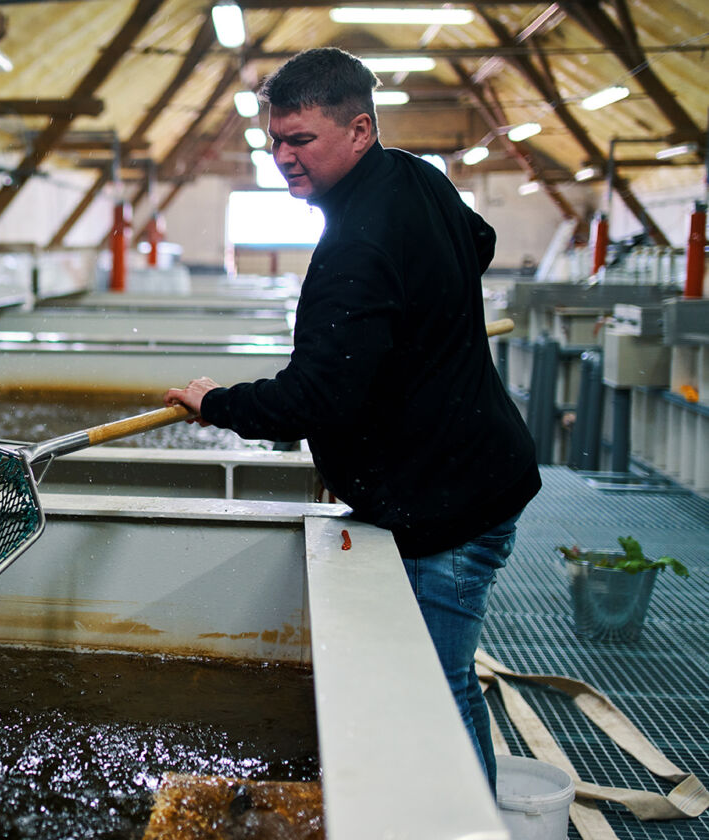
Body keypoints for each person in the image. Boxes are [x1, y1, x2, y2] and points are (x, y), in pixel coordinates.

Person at [164, 47, 540, 794]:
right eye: (275, 140)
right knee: (445, 680)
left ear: (359, 130)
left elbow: (313, 400)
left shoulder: (355, 247)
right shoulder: (416, 177)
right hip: (469, 472)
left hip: (450, 508)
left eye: (301, 139)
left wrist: (216, 404)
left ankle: (463, 819)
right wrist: (425, 322)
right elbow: (480, 242)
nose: (282, 157)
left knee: (435, 692)